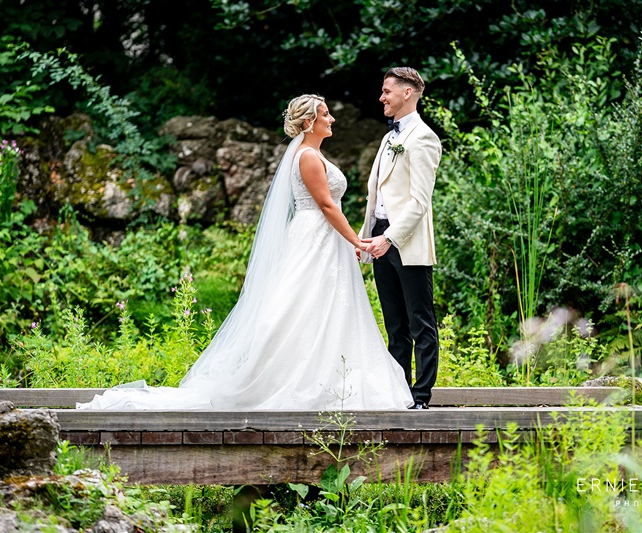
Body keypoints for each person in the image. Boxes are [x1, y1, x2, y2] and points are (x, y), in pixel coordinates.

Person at [78, 94, 414, 411]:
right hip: (315, 235)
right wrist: (357, 240)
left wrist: (349, 241)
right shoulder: (308, 156)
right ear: (310, 122)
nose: (333, 118)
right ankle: (290, 376)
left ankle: (328, 373)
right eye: (326, 114)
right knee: (303, 304)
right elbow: (326, 204)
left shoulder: (314, 153)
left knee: (323, 305)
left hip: (326, 239)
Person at [359, 67, 442, 410]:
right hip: (380, 238)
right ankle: (399, 393)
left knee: (420, 323)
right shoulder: (387, 137)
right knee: (395, 325)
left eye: (386, 91)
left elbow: (420, 202)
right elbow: (376, 196)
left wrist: (389, 238)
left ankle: (421, 398)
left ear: (407, 93)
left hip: (406, 243)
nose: (382, 97)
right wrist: (366, 239)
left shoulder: (424, 138)